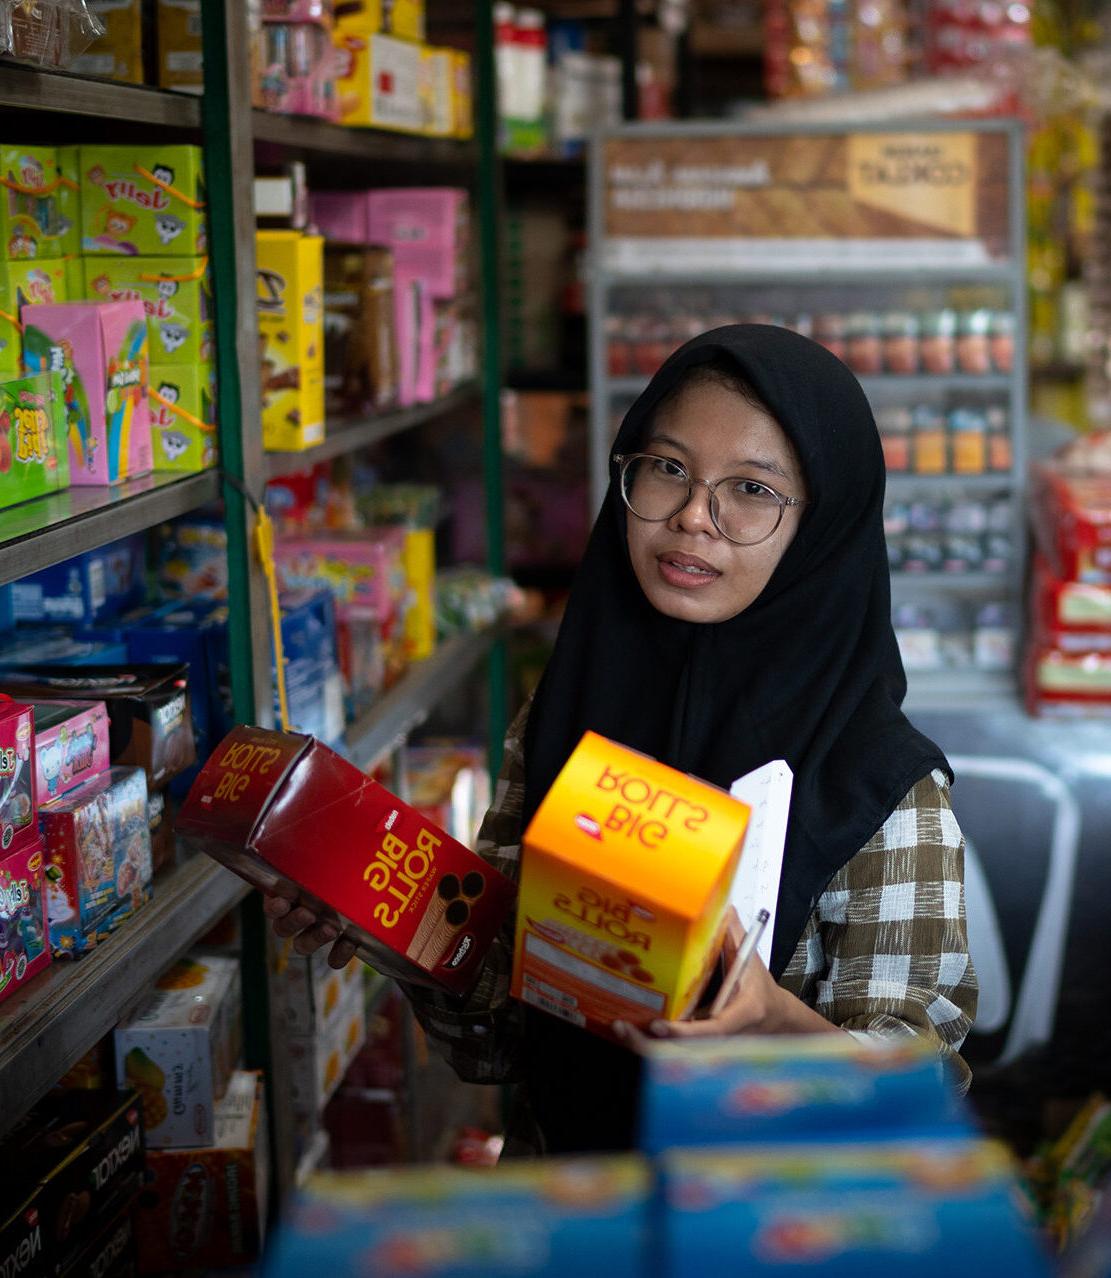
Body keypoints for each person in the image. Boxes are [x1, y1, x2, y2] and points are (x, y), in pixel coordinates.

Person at [266, 324, 978, 1152]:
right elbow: (499, 1041)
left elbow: (919, 1092)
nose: (693, 518)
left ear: (824, 528)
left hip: (776, 1229)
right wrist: (384, 917)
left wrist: (770, 1023)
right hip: (571, 1207)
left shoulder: (879, 785)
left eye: (752, 489)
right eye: (668, 468)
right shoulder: (570, 714)